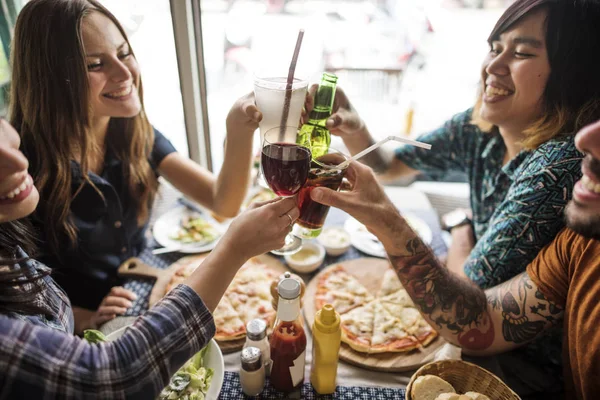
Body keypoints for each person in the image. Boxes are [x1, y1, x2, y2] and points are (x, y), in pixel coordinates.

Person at [307, 1, 600, 393]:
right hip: (468, 321)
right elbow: (394, 166)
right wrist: (357, 125)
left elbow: (465, 305)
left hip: (511, 370)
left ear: (572, 74)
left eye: (522, 53)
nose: (493, 66)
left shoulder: (557, 167)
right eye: (495, 47)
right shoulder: (482, 124)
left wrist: (456, 231)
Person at [8, 0, 263, 332]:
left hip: (145, 281)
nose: (125, 73)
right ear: (51, 80)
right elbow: (16, 293)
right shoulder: (18, 172)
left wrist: (239, 130)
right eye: (96, 64)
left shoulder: (135, 133)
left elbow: (223, 202)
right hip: (80, 323)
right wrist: (81, 316)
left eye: (124, 53)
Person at [0, 118, 299, 398]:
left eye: (124, 56)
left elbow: (46, 314)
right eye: (94, 65)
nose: (18, 160)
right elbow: (110, 378)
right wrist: (234, 248)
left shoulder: (8, 236)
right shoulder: (34, 167)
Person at [311, 117, 600, 398]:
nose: (583, 140)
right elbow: (480, 322)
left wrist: (401, 225)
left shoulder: (556, 166)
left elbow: (472, 293)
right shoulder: (580, 243)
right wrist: (389, 225)